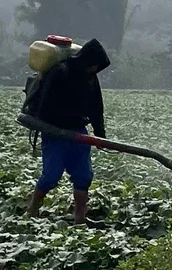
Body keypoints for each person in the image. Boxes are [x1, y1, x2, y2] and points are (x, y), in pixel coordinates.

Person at [26, 38, 111, 224]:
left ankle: (80, 217)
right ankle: (32, 210)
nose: (95, 70)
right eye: (94, 65)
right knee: (51, 176)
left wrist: (99, 134)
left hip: (79, 132)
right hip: (55, 132)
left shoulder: (90, 77)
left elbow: (96, 106)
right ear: (87, 60)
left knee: (83, 175)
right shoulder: (60, 72)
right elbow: (45, 105)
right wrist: (57, 127)